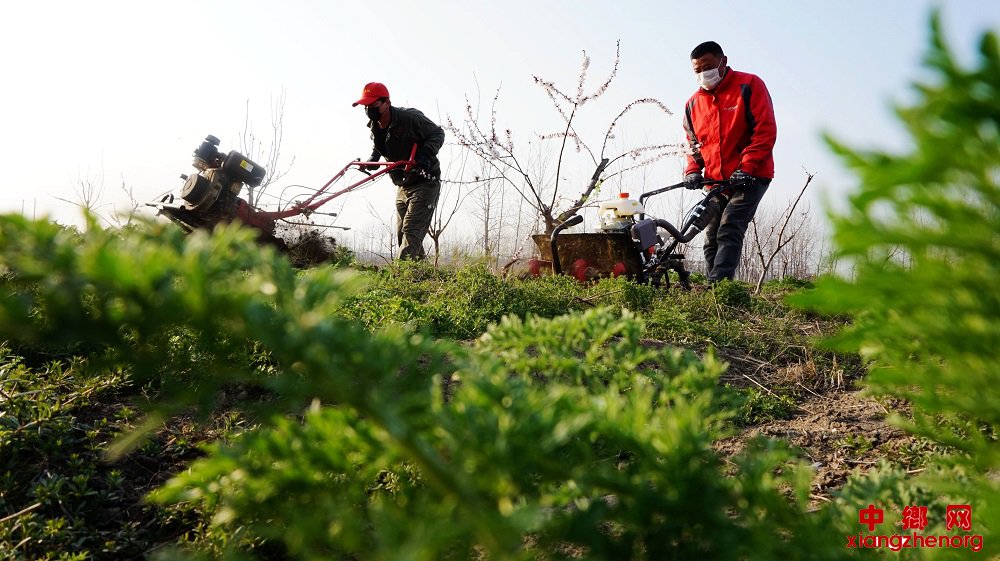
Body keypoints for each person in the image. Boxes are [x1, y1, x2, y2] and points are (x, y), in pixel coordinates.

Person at [681, 41, 777, 283]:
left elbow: (765, 131)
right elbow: (693, 145)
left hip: (751, 176)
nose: (704, 74)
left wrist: (746, 167)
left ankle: (720, 286)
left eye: (708, 67)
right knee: (711, 235)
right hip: (717, 183)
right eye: (698, 71)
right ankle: (714, 290)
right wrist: (692, 170)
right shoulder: (693, 104)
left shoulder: (749, 85)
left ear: (723, 61)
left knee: (730, 226)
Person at [353, 82, 446, 260]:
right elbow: (379, 147)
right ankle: (420, 274)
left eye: (373, 105)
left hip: (425, 181)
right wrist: (372, 160)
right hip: (403, 183)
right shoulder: (375, 126)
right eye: (366, 106)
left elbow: (438, 133)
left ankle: (400, 274)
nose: (369, 110)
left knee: (411, 231)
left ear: (386, 103)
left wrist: (425, 154)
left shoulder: (409, 118)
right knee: (403, 235)